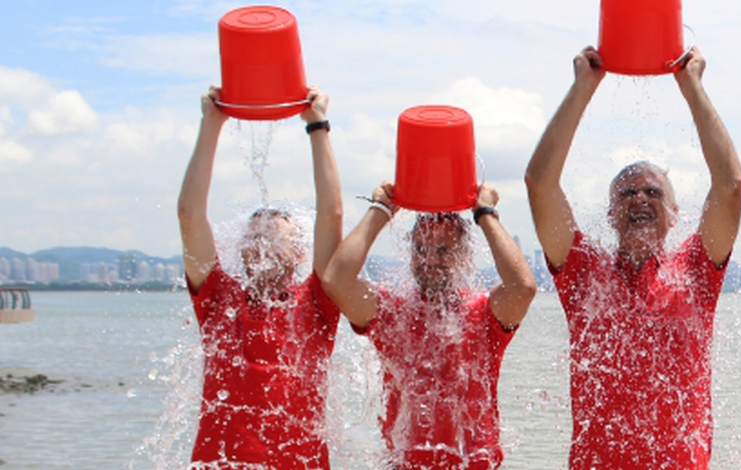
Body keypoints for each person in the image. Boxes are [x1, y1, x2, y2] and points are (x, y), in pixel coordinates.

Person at [524, 46, 741, 469]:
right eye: (627, 193)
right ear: (610, 214)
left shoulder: (697, 270)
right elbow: (540, 183)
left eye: (653, 192)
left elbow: (730, 185)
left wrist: (692, 88)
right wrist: (583, 88)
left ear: (675, 213)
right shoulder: (584, 274)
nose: (639, 198)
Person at [177, 86, 343, 469]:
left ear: (300, 253)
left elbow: (332, 216)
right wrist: (211, 124)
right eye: (254, 235)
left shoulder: (318, 302)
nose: (261, 241)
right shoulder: (218, 297)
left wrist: (318, 125)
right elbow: (189, 216)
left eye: (274, 235)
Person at [321, 183, 537, 470]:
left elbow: (522, 288)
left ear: (464, 255)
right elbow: (336, 281)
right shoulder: (392, 314)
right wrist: (381, 210)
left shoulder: (484, 312)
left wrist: (485, 213)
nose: (431, 259)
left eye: (444, 250)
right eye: (421, 249)